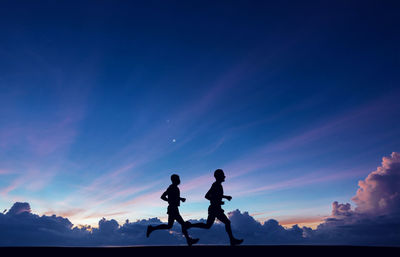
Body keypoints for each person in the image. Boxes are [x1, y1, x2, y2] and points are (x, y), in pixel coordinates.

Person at [189, 169, 243, 246]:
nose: (224, 176)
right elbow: (207, 196)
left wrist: (223, 198)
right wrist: (218, 200)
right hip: (215, 208)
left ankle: (190, 225)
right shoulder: (216, 185)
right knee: (227, 222)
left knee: (208, 226)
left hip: (215, 207)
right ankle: (232, 240)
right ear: (219, 177)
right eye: (222, 175)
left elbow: (215, 196)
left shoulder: (218, 185)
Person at [146, 174, 199, 246]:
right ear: (174, 180)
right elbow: (162, 196)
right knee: (183, 224)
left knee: (169, 226)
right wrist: (169, 201)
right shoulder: (171, 187)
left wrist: (180, 199)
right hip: (173, 208)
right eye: (178, 178)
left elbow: (174, 196)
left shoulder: (175, 188)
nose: (179, 180)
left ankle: (152, 228)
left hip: (174, 208)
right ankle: (189, 240)